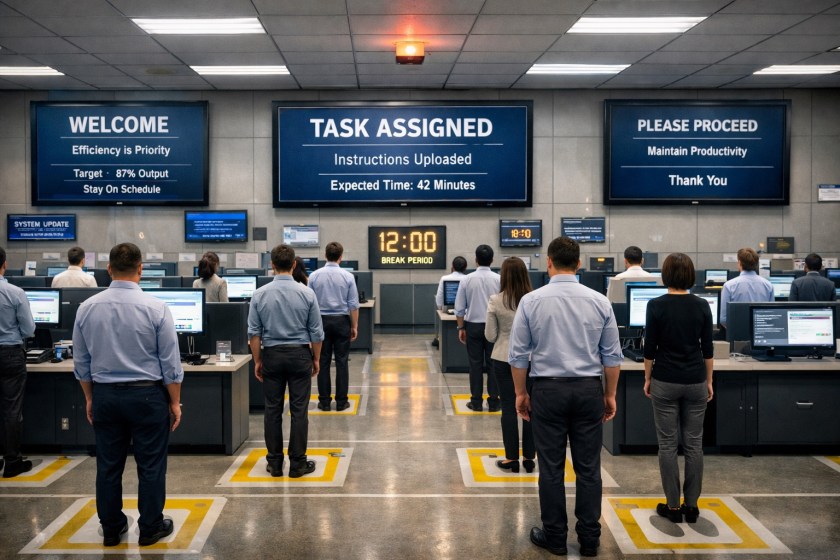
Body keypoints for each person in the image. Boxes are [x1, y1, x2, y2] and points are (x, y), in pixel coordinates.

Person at [509, 236, 622, 558]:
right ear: (579, 263)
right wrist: (609, 395)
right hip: (588, 389)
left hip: (547, 389)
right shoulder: (600, 301)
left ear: (548, 262)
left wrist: (521, 393)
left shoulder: (531, 301)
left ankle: (555, 537)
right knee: (589, 468)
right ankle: (589, 539)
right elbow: (611, 357)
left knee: (551, 468)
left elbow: (518, 356)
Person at [72, 243, 183, 547]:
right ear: (140, 269)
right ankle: (149, 527)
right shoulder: (156, 307)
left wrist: (90, 398)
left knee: (108, 465)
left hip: (106, 395)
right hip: (147, 397)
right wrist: (174, 402)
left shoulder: (87, 308)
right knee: (150, 465)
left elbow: (81, 364)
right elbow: (170, 364)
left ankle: (111, 528)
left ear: (108, 269)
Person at [642, 253, 714, 525]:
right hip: (695, 379)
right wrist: (709, 381)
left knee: (668, 445)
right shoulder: (702, 305)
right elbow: (707, 349)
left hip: (665, 380)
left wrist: (647, 377)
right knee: (694, 444)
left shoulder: (656, 305)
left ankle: (673, 506)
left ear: (666, 275)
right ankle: (692, 506)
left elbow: (650, 348)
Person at [248, 245, 323, 478]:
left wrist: (257, 360)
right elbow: (316, 333)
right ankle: (298, 463)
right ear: (293, 265)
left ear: (272, 265)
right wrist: (316, 359)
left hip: (272, 354)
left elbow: (254, 333)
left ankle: (275, 463)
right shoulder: (307, 293)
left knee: (272, 410)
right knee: (299, 411)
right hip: (300, 355)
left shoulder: (259, 294)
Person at [485, 257, 534, 473]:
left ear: (503, 276)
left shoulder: (496, 300)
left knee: (509, 407)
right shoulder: (534, 300)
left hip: (503, 358)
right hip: (532, 360)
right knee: (531, 407)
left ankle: (512, 458)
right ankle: (530, 457)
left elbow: (490, 335)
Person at [308, 242, 359, 412]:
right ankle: (342, 401)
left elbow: (310, 303)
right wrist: (354, 325)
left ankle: (324, 402)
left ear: (325, 255)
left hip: (321, 321)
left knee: (322, 361)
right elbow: (353, 304)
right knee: (342, 361)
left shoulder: (314, 276)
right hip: (341, 321)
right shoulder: (348, 276)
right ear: (341, 257)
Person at [0, 247, 36, 478]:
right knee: (11, 409)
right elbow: (29, 329)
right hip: (9, 354)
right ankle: (12, 461)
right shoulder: (14, 292)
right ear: (4, 264)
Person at [455, 245, 501, 412]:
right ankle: (494, 402)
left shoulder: (466, 280)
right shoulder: (498, 279)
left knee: (475, 365)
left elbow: (459, 307)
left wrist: (461, 327)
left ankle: (475, 402)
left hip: (473, 326)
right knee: (493, 364)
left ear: (475, 260)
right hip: (494, 327)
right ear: (492, 260)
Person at [720, 247, 774, 328]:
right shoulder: (768, 285)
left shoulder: (729, 286)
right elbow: (772, 314)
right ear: (756, 264)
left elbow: (724, 319)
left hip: (737, 335)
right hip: (761, 335)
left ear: (739, 262)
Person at [432, 256, 467, 347]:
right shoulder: (468, 279)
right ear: (465, 268)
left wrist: (441, 309)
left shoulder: (444, 278)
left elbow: (439, 300)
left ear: (452, 267)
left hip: (447, 311)